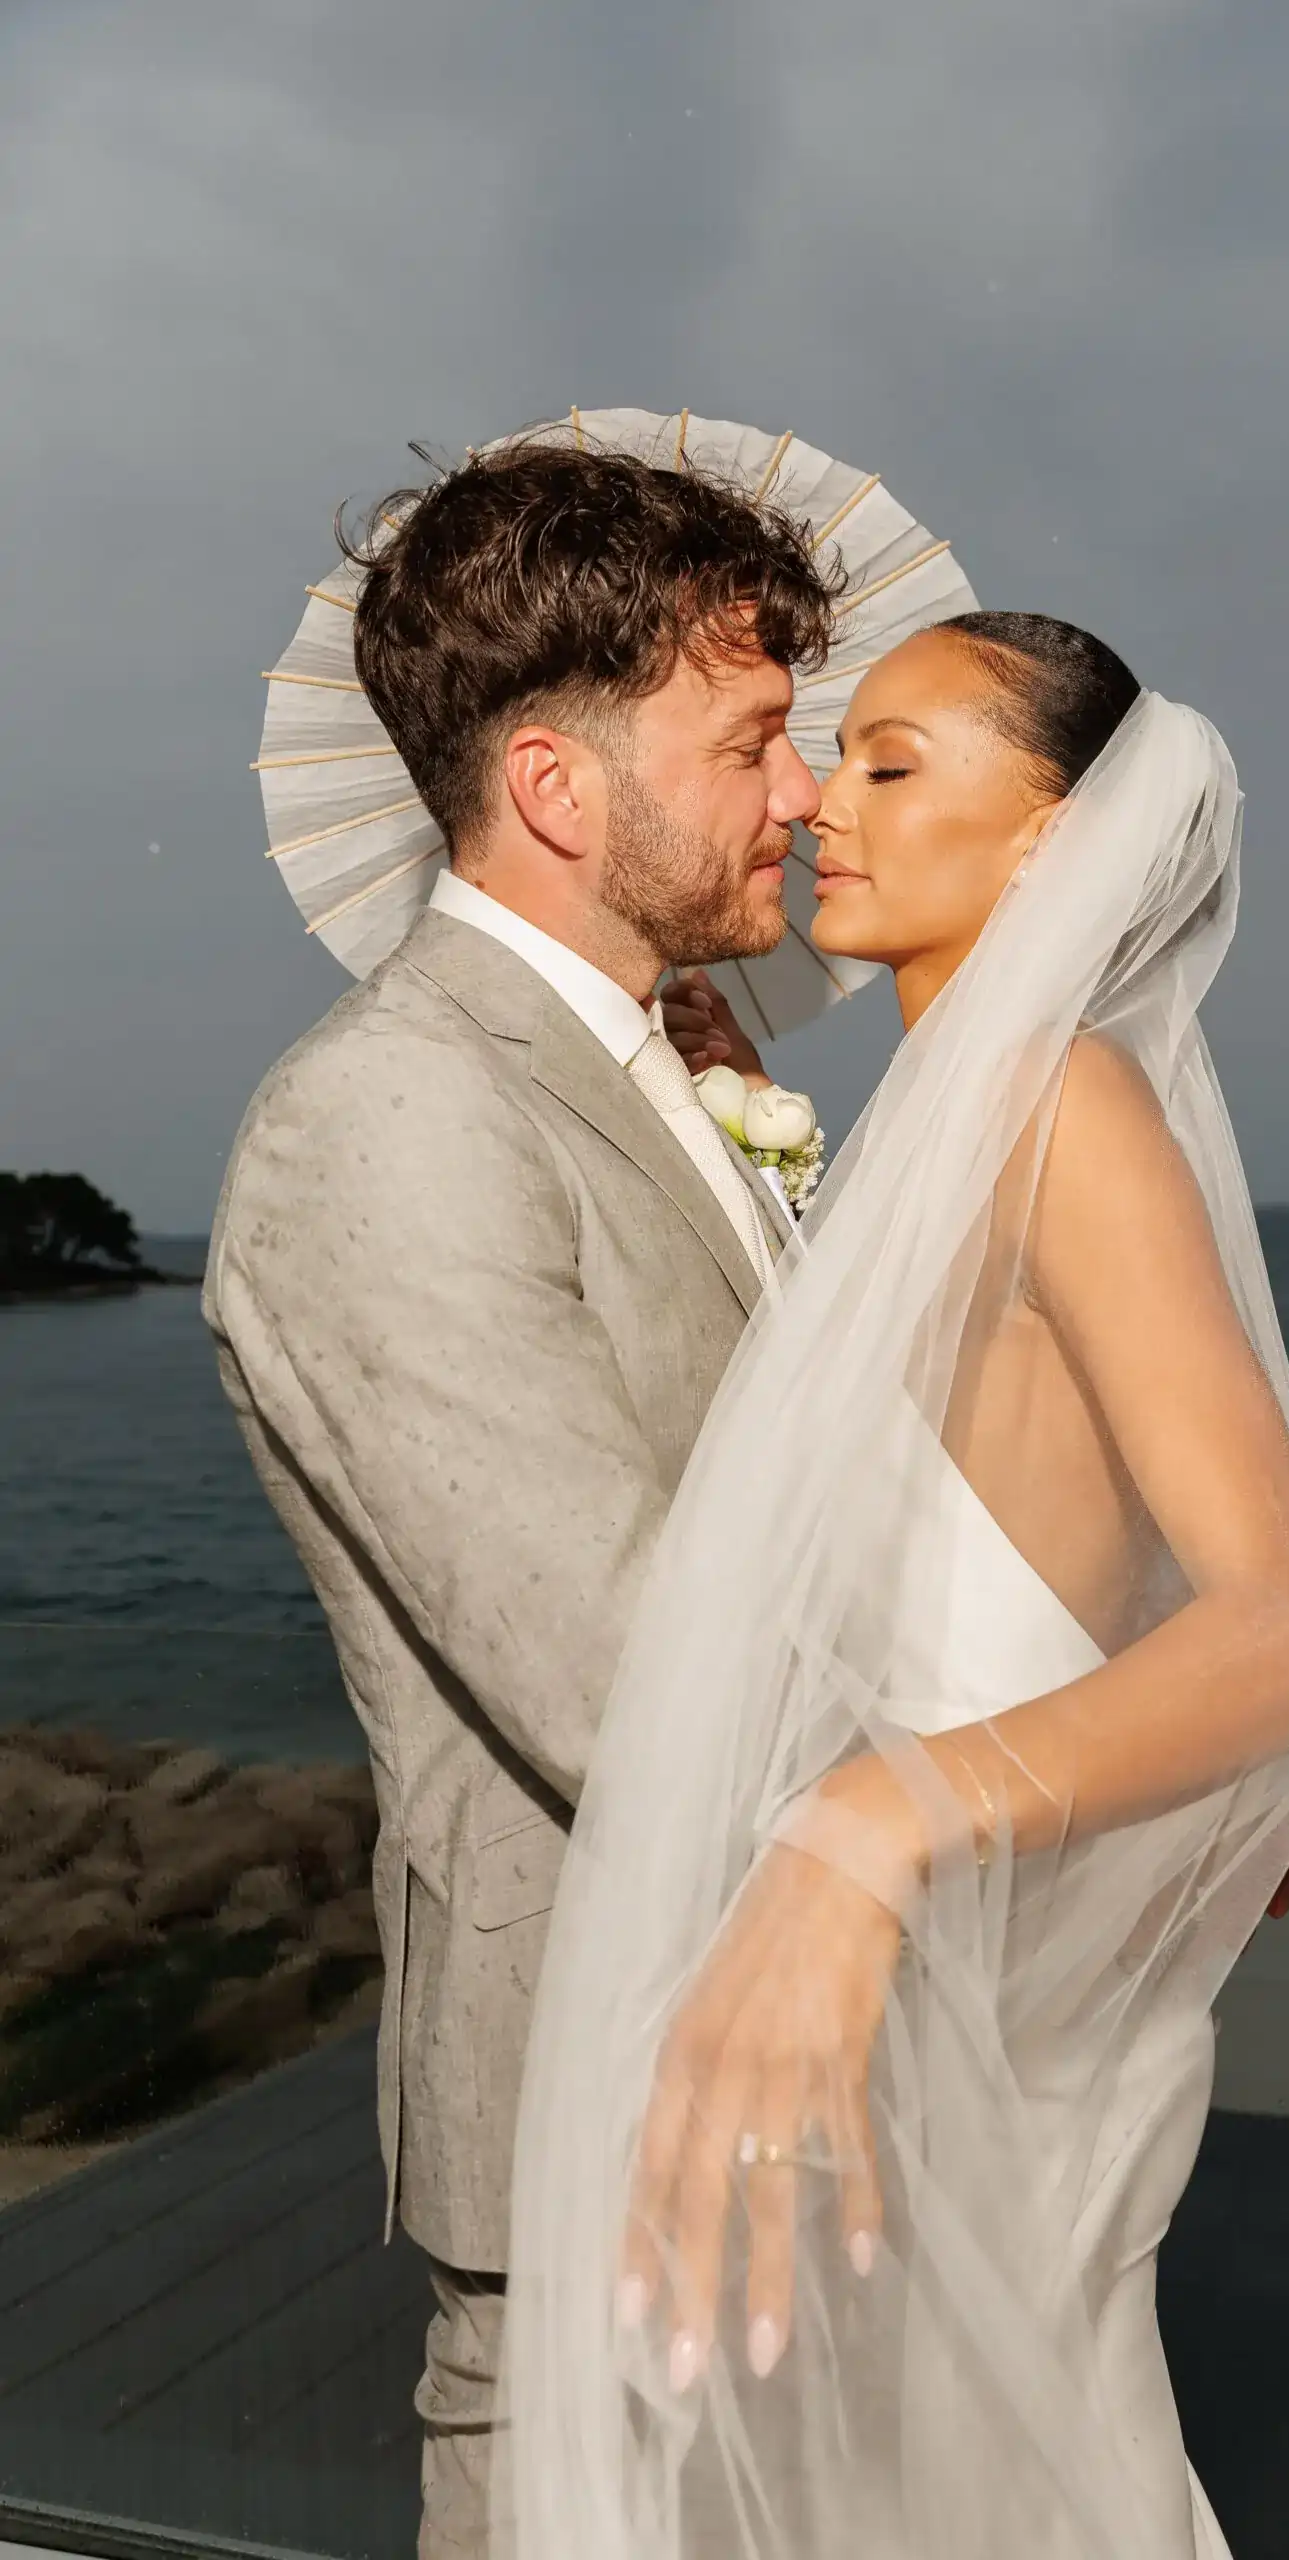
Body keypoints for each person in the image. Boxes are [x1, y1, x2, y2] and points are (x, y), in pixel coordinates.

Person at [502, 616, 1289, 2557]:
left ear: (1057, 840)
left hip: (971, 2030)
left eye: (895, 764)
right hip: (893, 2050)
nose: (820, 803)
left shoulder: (1070, 1106)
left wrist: (864, 1825)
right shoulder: (947, 1127)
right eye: (828, 757)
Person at [203, 438, 837, 2559]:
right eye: (749, 740)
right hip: (609, 2124)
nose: (804, 793)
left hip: (801, 2093)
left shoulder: (686, 1077)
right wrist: (1068, 1755)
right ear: (562, 789)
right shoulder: (380, 1119)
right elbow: (631, 1670)